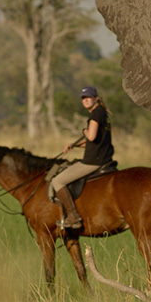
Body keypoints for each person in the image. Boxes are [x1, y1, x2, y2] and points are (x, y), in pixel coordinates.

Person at [52, 86, 114, 229]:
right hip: (102, 157)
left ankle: (73, 217)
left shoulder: (95, 114)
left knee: (57, 181)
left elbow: (91, 136)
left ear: (96, 98)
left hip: (93, 161)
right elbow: (94, 140)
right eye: (83, 98)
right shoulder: (102, 113)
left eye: (88, 98)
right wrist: (74, 145)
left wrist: (84, 130)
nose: (85, 100)